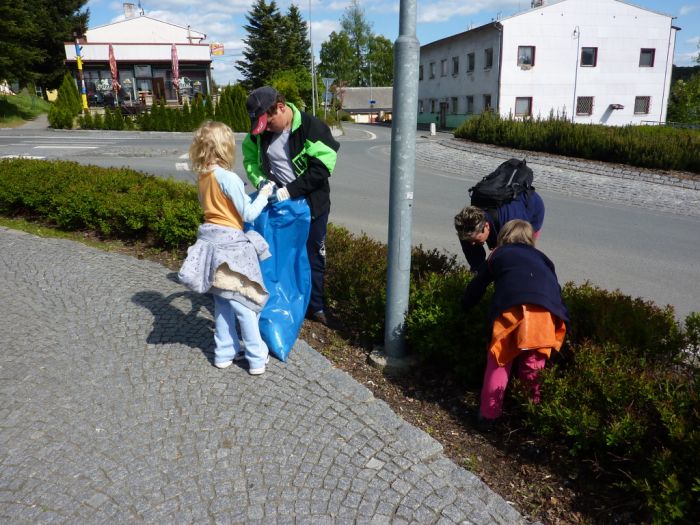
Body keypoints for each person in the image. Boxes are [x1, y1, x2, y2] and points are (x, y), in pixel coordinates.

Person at [178, 121, 275, 374]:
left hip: (211, 245)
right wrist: (264, 193)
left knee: (222, 302)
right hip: (232, 248)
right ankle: (256, 358)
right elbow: (249, 214)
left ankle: (223, 353)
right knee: (244, 302)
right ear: (225, 147)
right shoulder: (227, 177)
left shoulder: (203, 177)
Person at [242, 86, 340, 325]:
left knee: (313, 253)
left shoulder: (311, 127)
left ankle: (315, 306)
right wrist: (262, 182)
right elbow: (251, 162)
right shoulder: (260, 132)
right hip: (279, 206)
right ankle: (284, 300)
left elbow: (322, 169)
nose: (266, 128)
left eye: (270, 121)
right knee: (281, 254)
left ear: (281, 107)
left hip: (312, 204)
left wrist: (290, 191)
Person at [461, 219, 569, 424]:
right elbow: (556, 291)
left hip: (511, 309)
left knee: (500, 361)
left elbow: (477, 285)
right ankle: (531, 416)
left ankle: (488, 416)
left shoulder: (498, 254)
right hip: (544, 313)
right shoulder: (543, 258)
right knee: (532, 367)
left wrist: (465, 306)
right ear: (529, 238)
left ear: (504, 236)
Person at [454, 189, 545, 272]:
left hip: (532, 207)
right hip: (499, 212)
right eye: (470, 240)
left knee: (515, 256)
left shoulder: (511, 225)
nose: (472, 244)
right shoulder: (466, 228)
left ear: (486, 226)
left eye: (474, 240)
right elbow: (475, 261)